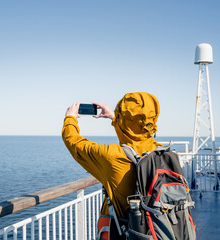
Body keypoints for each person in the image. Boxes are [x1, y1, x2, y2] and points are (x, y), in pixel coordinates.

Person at [62, 92, 161, 239]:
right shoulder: (159, 151)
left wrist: (70, 118)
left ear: (123, 120)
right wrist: (115, 118)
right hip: (155, 231)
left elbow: (74, 142)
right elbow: (135, 134)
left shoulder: (112, 156)